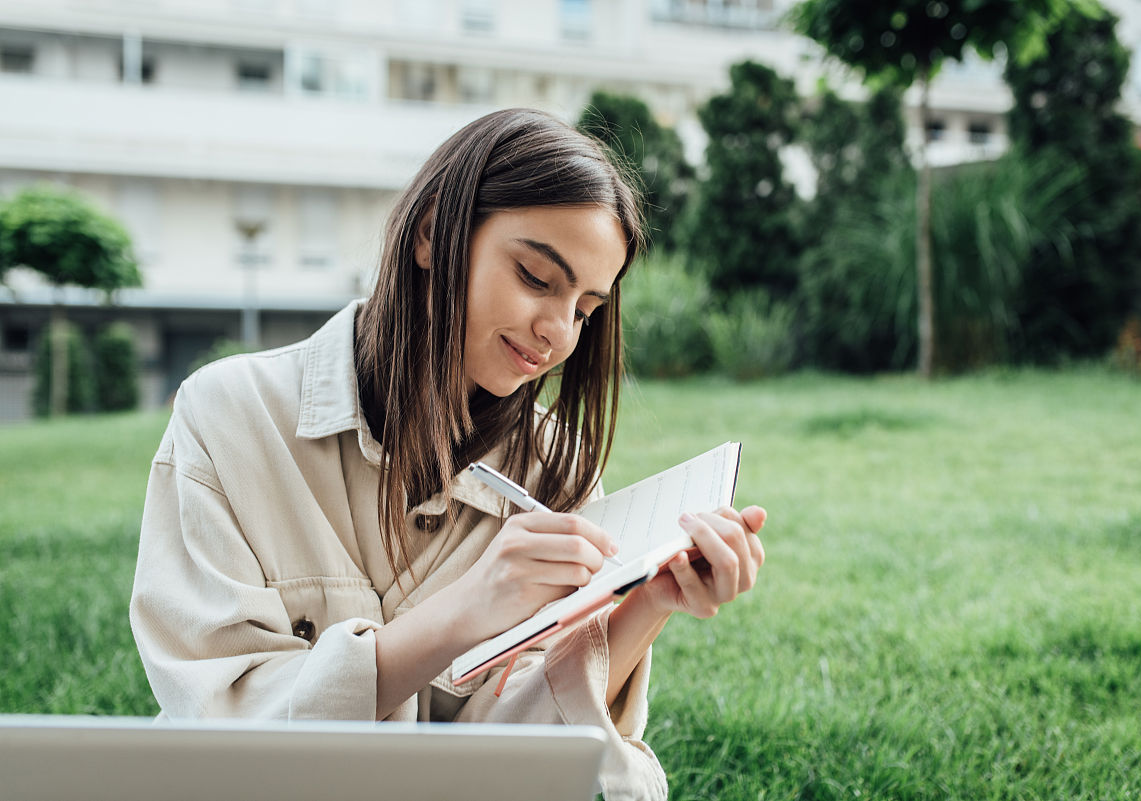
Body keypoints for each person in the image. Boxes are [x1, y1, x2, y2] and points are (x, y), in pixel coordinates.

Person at [130, 108, 766, 801]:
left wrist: (646, 604)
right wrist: (462, 612)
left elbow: (520, 760)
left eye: (585, 309)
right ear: (433, 233)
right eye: (535, 277)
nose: (558, 332)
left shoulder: (556, 468)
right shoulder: (230, 417)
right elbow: (222, 722)